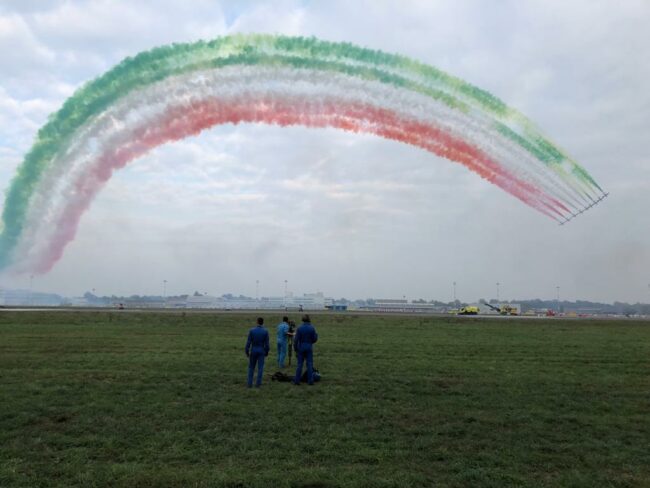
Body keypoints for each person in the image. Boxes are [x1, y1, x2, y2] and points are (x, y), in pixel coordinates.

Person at [293, 314, 318, 385]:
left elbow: (296, 340)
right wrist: (314, 338)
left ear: (302, 320)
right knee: (309, 364)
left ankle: (297, 380)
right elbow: (314, 339)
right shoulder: (312, 328)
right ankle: (310, 381)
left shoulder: (299, 328)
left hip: (301, 347)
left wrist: (295, 349)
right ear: (309, 319)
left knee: (299, 364)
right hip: (309, 346)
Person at [245, 317, 269, 388]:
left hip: (254, 350)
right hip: (261, 350)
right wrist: (266, 351)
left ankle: (249, 383)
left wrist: (247, 351)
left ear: (257, 322)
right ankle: (258, 383)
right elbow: (267, 344)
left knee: (251, 367)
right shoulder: (265, 331)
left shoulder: (252, 330)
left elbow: (248, 342)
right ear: (263, 322)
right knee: (260, 368)